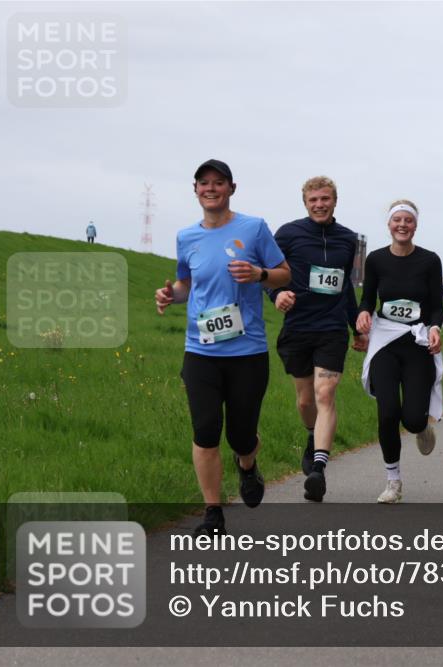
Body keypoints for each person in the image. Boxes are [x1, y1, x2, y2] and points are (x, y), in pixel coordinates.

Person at [155, 159, 291, 535]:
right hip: (201, 350)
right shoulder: (186, 237)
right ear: (195, 190)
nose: (211, 189)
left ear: (232, 188)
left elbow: (284, 273)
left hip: (247, 352)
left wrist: (260, 274)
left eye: (218, 182)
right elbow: (186, 284)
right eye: (204, 183)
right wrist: (170, 295)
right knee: (205, 430)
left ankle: (247, 465)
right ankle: (213, 514)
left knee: (241, 436)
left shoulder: (254, 228)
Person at [270, 176, 366, 502]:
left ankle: (319, 470)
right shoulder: (288, 234)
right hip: (297, 327)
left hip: (331, 329)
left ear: (335, 201)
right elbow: (269, 274)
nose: (320, 205)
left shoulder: (348, 239)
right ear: (305, 203)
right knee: (305, 401)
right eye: (313, 200)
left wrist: (356, 327)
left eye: (325, 199)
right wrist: (276, 294)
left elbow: (345, 285)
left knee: (325, 393)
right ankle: (312, 436)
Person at [357, 200, 443, 504]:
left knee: (413, 420)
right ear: (389, 224)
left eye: (408, 220)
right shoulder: (376, 259)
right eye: (397, 220)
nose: (402, 225)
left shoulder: (430, 260)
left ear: (415, 225)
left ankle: (422, 426)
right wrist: (363, 313)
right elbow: (367, 298)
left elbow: (437, 306)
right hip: (385, 343)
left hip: (417, 343)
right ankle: (393, 481)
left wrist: (435, 327)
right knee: (387, 412)